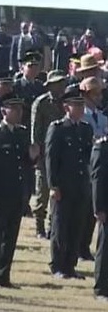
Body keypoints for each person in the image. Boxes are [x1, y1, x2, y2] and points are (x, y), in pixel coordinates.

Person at [0, 92, 36, 288]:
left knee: (10, 237)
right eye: (14, 108)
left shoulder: (21, 133)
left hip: (16, 193)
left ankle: (4, 275)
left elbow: (25, 165)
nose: (19, 112)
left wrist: (32, 157)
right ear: (4, 111)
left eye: (20, 108)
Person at [46, 85, 93, 279]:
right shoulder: (57, 128)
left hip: (81, 186)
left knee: (76, 226)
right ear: (66, 107)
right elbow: (50, 159)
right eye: (76, 105)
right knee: (60, 227)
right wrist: (53, 185)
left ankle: (70, 265)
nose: (81, 109)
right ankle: (58, 265)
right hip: (63, 186)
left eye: (82, 105)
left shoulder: (85, 129)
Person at [92, 123, 108, 301]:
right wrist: (99, 208)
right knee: (105, 249)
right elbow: (97, 178)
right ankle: (101, 288)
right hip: (106, 205)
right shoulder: (102, 147)